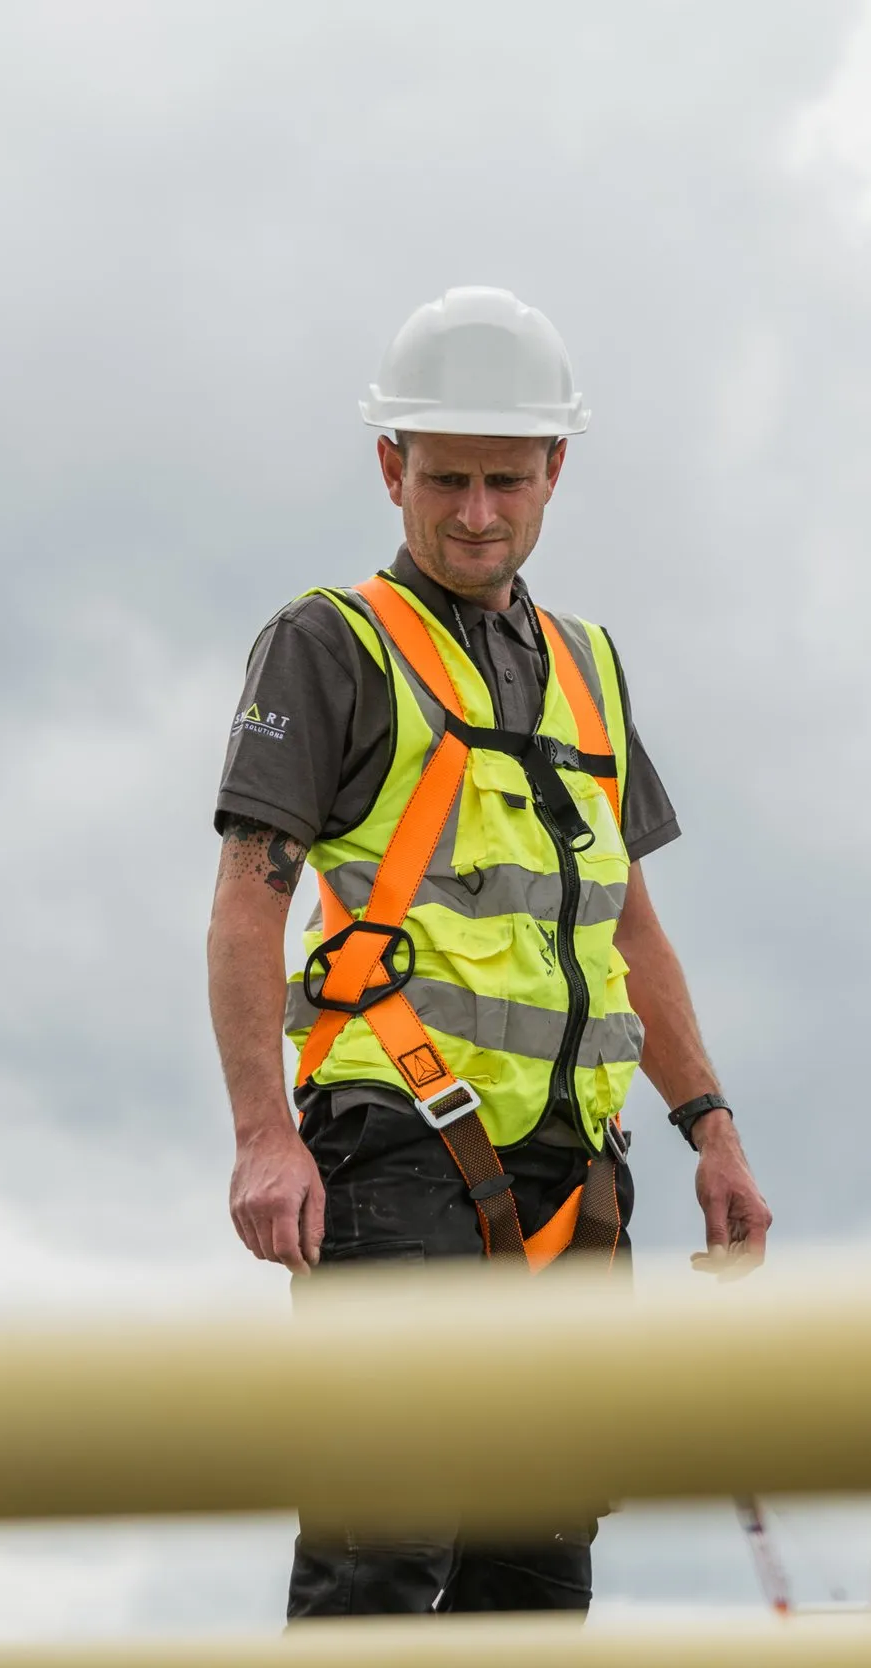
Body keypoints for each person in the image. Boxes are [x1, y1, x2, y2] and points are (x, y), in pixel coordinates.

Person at [206, 286, 772, 1616]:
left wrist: (712, 1127)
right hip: (394, 1144)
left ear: (554, 472)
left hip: (575, 1176)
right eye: (446, 480)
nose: (475, 514)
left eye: (506, 482)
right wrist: (260, 1136)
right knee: (384, 1544)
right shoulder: (329, 647)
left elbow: (627, 920)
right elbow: (248, 903)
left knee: (536, 1562)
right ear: (390, 466)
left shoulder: (590, 671)